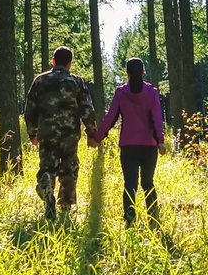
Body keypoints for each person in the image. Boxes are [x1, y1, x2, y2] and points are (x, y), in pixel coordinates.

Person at [24, 46, 98, 220]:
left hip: (47, 133)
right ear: (69, 64)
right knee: (69, 169)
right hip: (69, 134)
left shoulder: (40, 81)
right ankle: (65, 207)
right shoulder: (76, 82)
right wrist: (91, 132)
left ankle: (47, 192)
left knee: (47, 167)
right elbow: (87, 108)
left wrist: (32, 133)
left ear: (53, 61)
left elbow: (30, 110)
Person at [92, 57, 166, 228]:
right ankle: (153, 219)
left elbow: (110, 117)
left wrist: (98, 137)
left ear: (127, 74)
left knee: (130, 184)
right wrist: (160, 141)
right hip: (149, 147)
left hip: (128, 147)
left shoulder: (121, 93)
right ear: (143, 72)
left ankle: (129, 221)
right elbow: (157, 118)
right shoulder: (152, 92)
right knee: (148, 183)